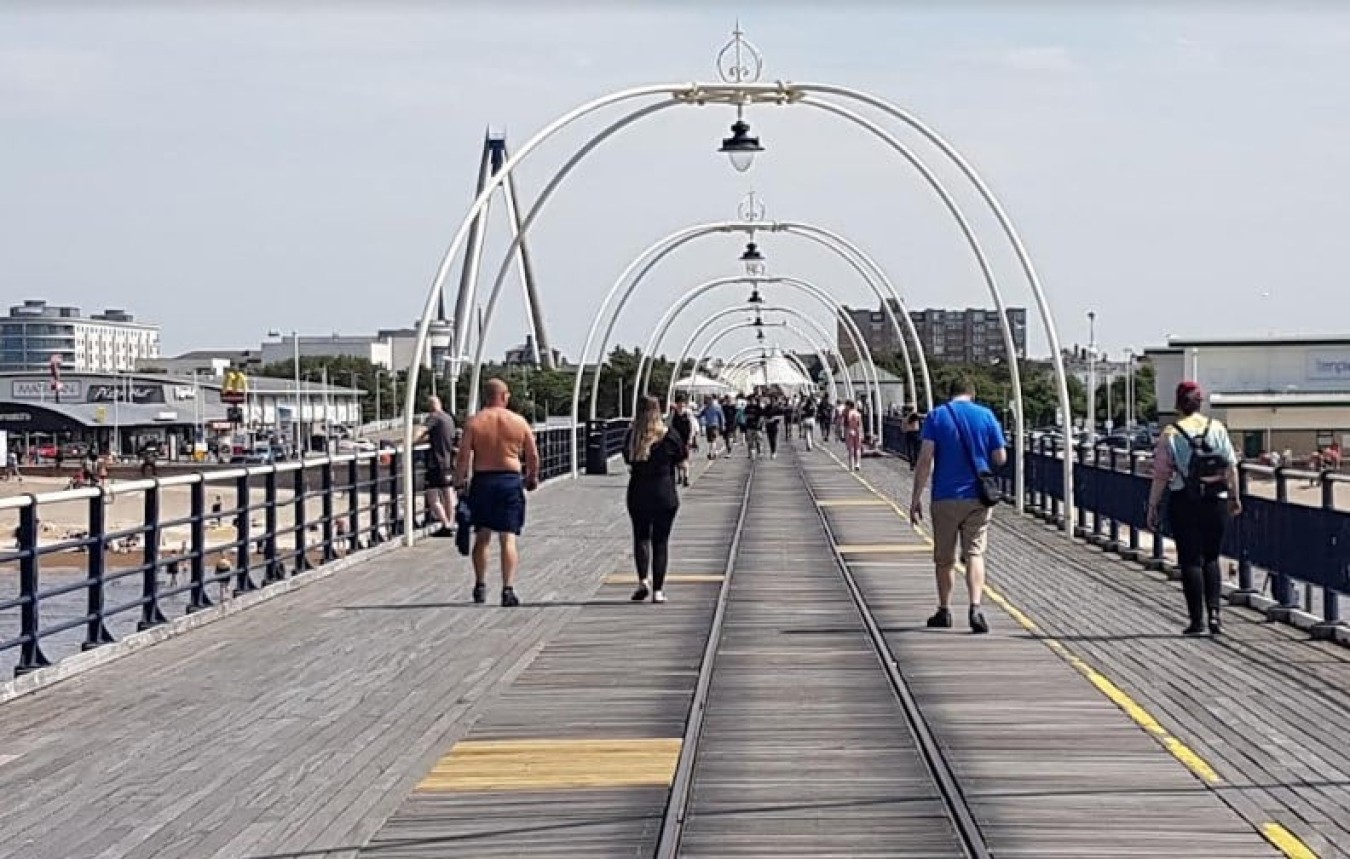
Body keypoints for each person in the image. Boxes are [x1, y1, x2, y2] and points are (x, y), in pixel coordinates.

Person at [909, 376, 1007, 634]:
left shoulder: (936, 417)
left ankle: (944, 610)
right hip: (977, 496)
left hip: (944, 496)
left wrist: (916, 497)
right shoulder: (986, 416)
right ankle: (975, 607)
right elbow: (1000, 457)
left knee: (944, 558)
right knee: (974, 552)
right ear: (972, 394)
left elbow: (925, 459)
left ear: (949, 394)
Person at [1147, 381, 1241, 636]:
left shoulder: (1171, 433)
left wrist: (1153, 505)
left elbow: (1161, 475)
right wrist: (1234, 496)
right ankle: (1215, 617)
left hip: (1184, 500)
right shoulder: (1217, 428)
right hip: (1216, 500)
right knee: (1212, 557)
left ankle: (1196, 621)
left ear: (1178, 404)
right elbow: (1231, 467)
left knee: (1190, 559)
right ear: (1200, 403)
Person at [454, 378, 540, 607]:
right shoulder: (518, 422)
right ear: (504, 396)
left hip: (483, 480)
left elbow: (463, 457)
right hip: (510, 480)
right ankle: (507, 589)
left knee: (482, 536)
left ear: (486, 396)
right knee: (508, 537)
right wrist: (532, 477)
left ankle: (480, 584)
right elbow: (532, 455)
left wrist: (459, 482)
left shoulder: (475, 422)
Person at [623, 395, 687, 604]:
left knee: (641, 537)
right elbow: (682, 459)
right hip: (664, 492)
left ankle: (643, 580)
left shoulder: (633, 435)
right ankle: (658, 591)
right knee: (661, 541)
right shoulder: (669, 435)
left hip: (639, 491)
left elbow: (628, 459)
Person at [414, 395, 457, 536]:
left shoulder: (434, 417)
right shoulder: (448, 419)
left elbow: (421, 430)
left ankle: (445, 524)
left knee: (432, 496)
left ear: (430, 406)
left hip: (435, 462)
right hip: (448, 461)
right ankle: (451, 522)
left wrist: (409, 442)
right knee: (448, 492)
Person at [669, 395, 695, 487]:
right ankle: (679, 476)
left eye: (683, 403)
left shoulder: (688, 413)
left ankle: (686, 477)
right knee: (676, 459)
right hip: (675, 440)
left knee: (685, 458)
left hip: (685, 439)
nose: (681, 404)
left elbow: (692, 426)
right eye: (680, 402)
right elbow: (669, 425)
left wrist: (691, 438)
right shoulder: (673, 413)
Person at [700, 395, 724, 460]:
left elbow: (721, 417)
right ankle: (714, 452)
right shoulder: (709, 407)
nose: (707, 401)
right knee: (712, 441)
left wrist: (722, 425)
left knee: (712, 440)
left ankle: (711, 453)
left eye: (708, 400)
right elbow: (721, 417)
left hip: (713, 425)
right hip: (711, 425)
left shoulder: (713, 407)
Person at [843, 399, 864, 471]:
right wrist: (862, 433)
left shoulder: (849, 413)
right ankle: (857, 464)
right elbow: (860, 424)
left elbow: (847, 423)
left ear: (849, 406)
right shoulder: (858, 413)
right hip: (858, 430)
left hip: (851, 430)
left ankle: (851, 465)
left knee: (851, 448)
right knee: (857, 448)